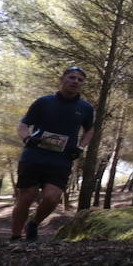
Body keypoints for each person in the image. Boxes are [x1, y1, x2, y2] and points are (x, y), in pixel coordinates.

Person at [10, 65, 95, 242]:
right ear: (62, 79)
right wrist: (27, 138)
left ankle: (33, 223)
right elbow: (23, 124)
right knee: (27, 195)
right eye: (72, 77)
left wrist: (81, 147)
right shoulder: (43, 102)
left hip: (61, 159)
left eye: (80, 80)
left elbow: (90, 130)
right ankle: (16, 237)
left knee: (52, 198)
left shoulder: (86, 108)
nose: (76, 81)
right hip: (34, 156)